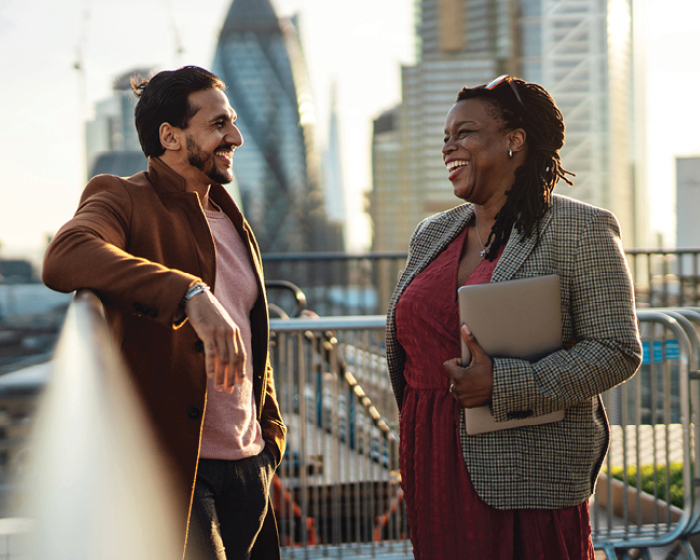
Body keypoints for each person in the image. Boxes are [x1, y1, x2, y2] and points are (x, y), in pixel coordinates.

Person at [385, 76, 642, 559]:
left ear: (514, 141)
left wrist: (502, 384)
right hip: (431, 452)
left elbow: (617, 350)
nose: (449, 147)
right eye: (445, 138)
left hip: (526, 464)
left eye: (464, 133)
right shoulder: (431, 233)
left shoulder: (580, 228)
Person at [42, 66, 286, 560]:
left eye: (233, 122)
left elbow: (249, 327)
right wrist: (189, 294)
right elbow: (66, 254)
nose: (235, 137)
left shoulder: (231, 216)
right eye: (219, 125)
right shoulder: (122, 196)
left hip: (251, 463)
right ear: (170, 136)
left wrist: (271, 436)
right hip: (177, 469)